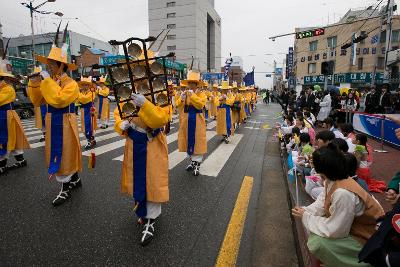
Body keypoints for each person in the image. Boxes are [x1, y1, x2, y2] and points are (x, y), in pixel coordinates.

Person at [292, 144, 384, 267]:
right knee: (315, 232)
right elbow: (321, 202)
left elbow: (337, 230)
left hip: (366, 238)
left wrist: (306, 216)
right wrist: (305, 210)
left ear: (322, 170)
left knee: (317, 242)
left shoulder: (343, 193)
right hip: (354, 228)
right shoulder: (333, 180)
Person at [34, 24, 82, 206]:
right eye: (48, 64)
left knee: (65, 152)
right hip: (53, 120)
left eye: (52, 64)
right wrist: (35, 84)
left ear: (61, 66)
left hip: (65, 120)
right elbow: (38, 101)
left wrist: (46, 82)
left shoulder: (71, 84)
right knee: (60, 151)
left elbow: (59, 100)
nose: (50, 67)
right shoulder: (50, 81)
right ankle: (75, 179)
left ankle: (65, 188)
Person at [114, 90, 169, 246]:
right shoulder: (126, 90)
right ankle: (143, 212)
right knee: (137, 179)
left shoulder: (158, 90)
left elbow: (161, 119)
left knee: (152, 180)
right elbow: (119, 114)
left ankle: (150, 220)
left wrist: (145, 104)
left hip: (152, 142)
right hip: (133, 142)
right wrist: (121, 125)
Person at [0, 59, 30, 174]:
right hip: (5, 117)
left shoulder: (8, 89)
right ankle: (21, 160)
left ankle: (2, 164)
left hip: (6, 118)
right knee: (13, 140)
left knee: (5, 140)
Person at [177, 70, 207, 176]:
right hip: (186, 120)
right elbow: (178, 107)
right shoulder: (185, 93)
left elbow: (200, 105)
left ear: (196, 84)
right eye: (189, 83)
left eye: (192, 83)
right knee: (187, 140)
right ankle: (191, 161)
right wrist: (181, 99)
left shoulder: (201, 94)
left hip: (197, 120)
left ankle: (197, 164)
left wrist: (192, 95)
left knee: (197, 141)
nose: (190, 85)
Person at [27, 66, 47, 142]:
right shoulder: (31, 83)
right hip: (39, 106)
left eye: (37, 75)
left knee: (46, 122)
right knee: (41, 122)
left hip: (46, 105)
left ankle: (47, 135)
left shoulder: (44, 83)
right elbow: (33, 97)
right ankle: (45, 135)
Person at [78, 77, 97, 150]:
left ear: (89, 86)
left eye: (86, 85)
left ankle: (90, 140)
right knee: (84, 126)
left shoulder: (92, 92)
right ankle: (91, 139)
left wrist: (79, 94)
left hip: (89, 110)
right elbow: (78, 100)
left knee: (89, 125)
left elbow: (84, 100)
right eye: (83, 85)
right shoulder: (82, 92)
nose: (84, 86)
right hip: (83, 110)